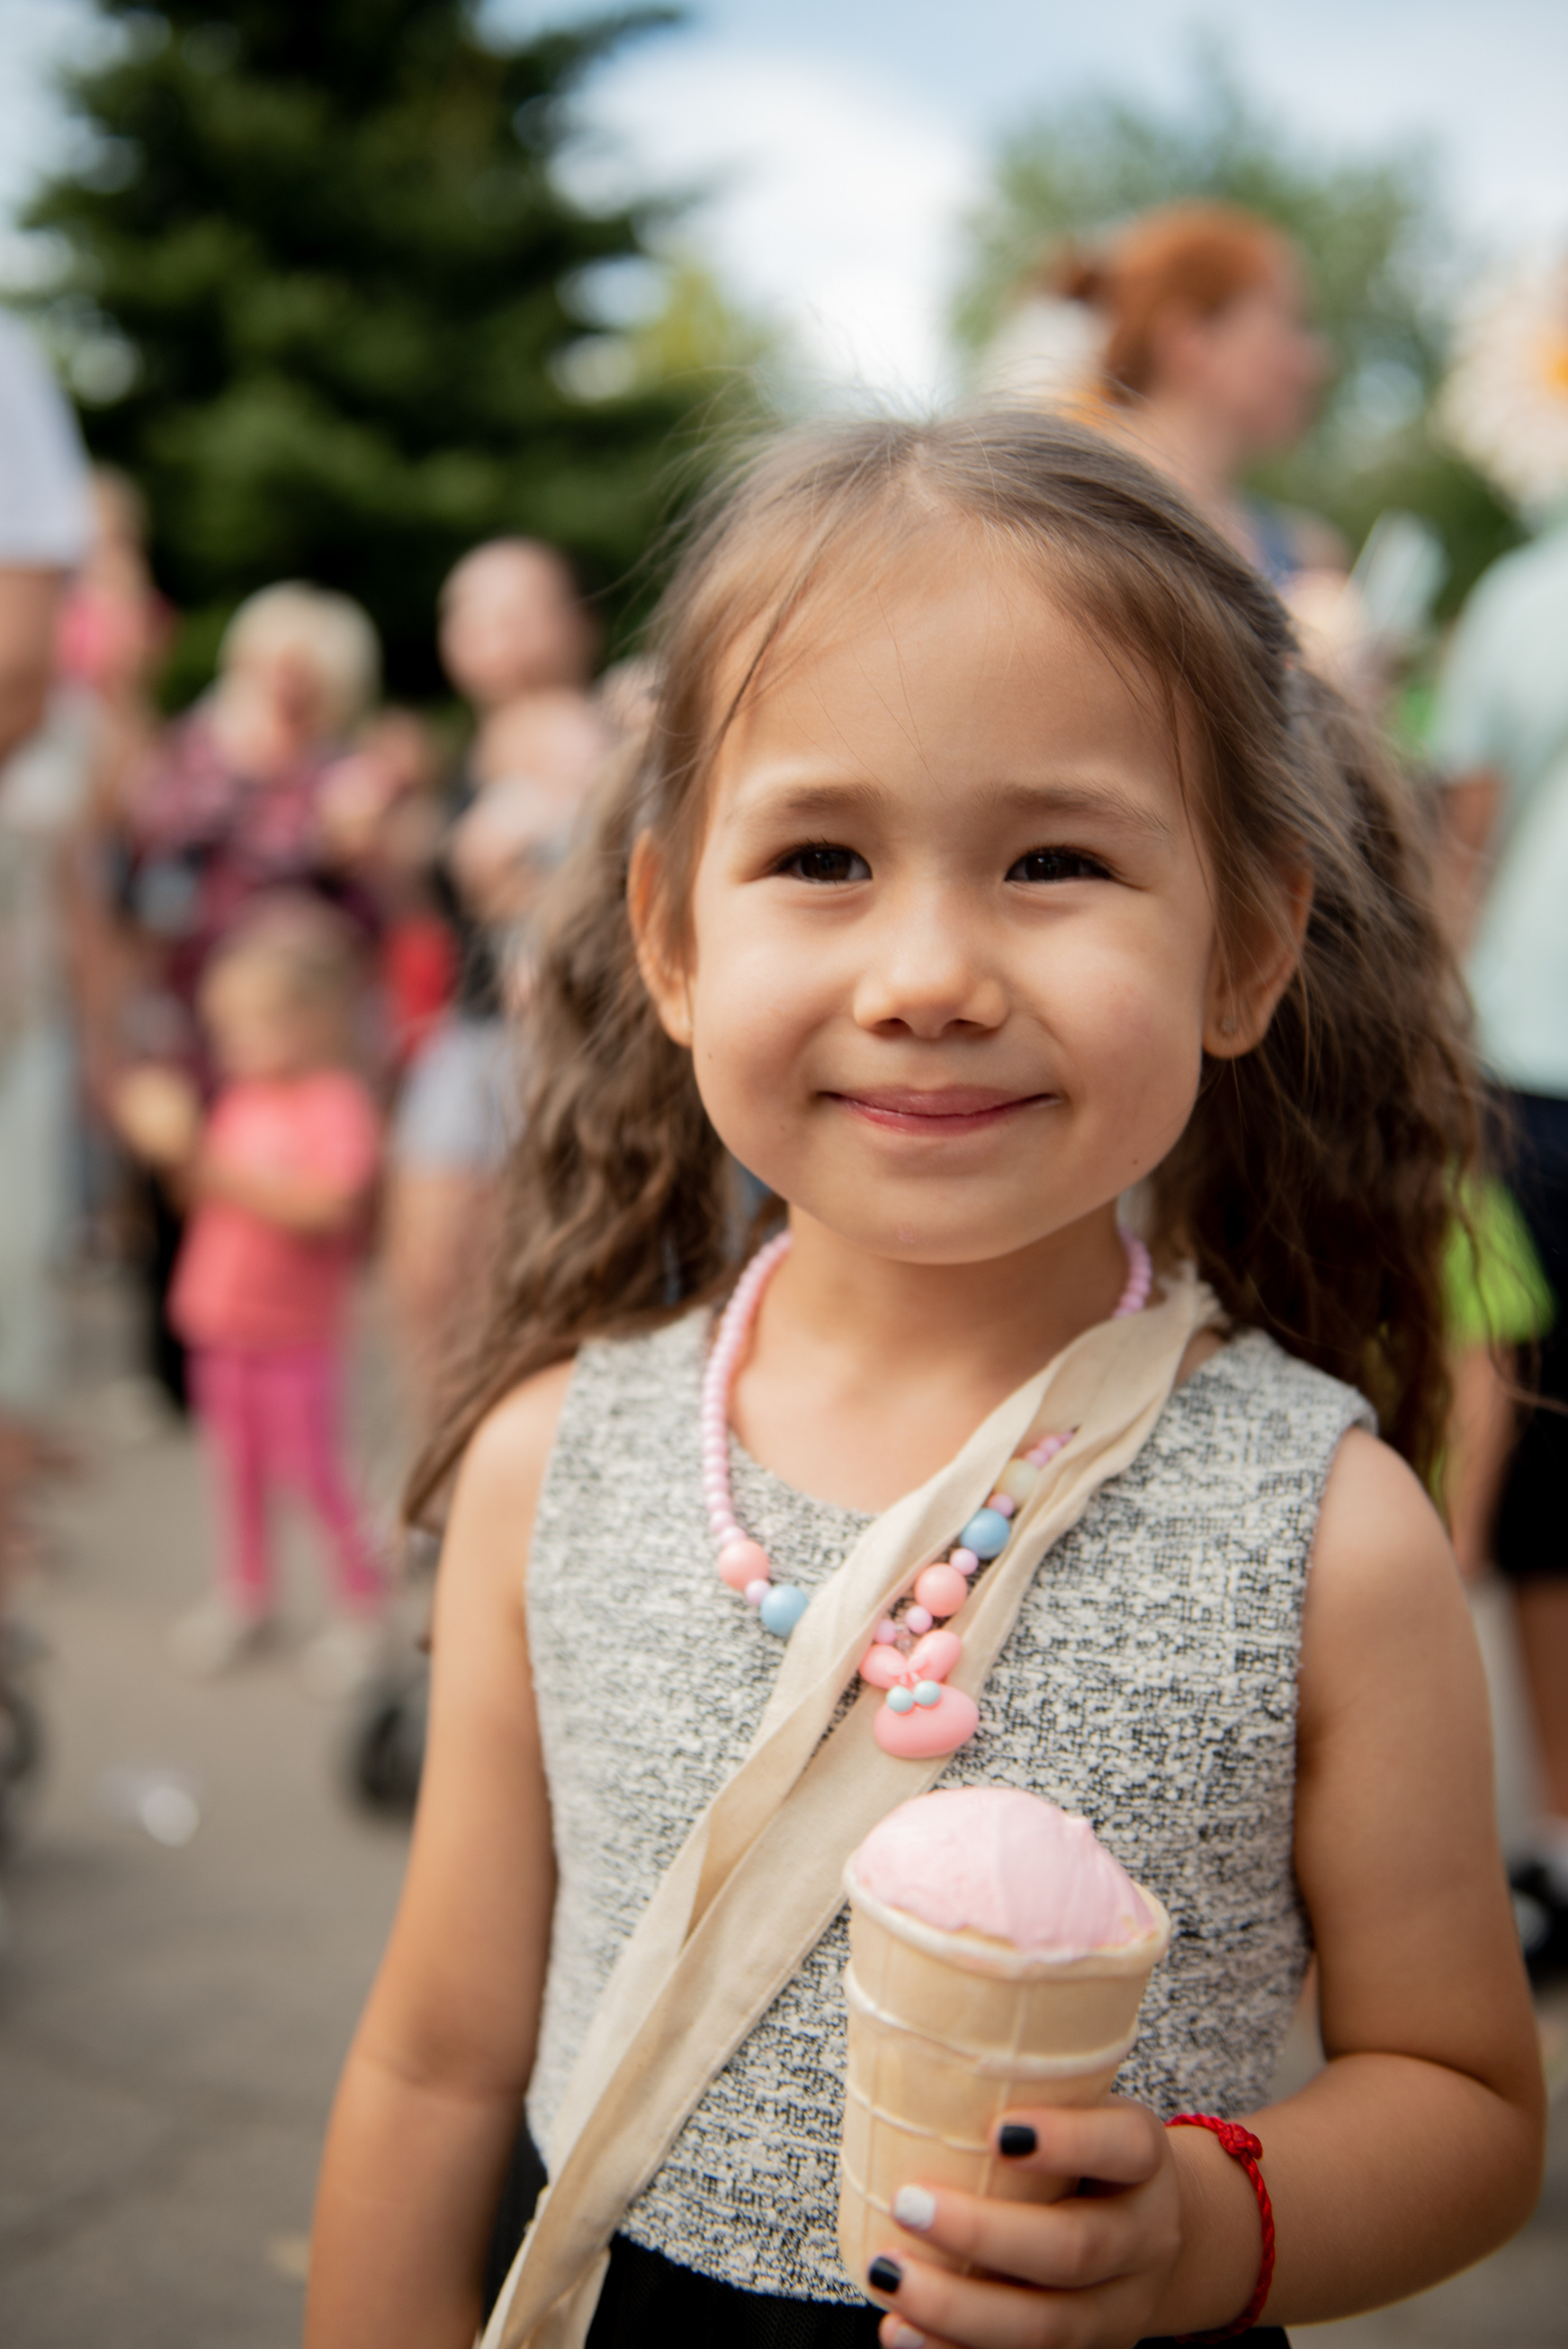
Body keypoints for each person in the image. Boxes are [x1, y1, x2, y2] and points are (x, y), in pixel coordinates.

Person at [304, 418, 1542, 2349]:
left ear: (1247, 946)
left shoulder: (1326, 1532)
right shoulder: (565, 1464)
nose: (931, 971)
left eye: (1054, 859)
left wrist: (1208, 2230)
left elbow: (1467, 2104)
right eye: (821, 857)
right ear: (671, 938)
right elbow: (439, 2066)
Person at [115, 901, 385, 1690]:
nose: (232, 1047)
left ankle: (361, 1603)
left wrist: (207, 1161)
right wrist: (168, 1155)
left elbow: (328, 1208)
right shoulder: (238, 1100)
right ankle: (248, 1593)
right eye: (224, 1029)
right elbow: (203, 1201)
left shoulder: (336, 1105)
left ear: (313, 1020)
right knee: (232, 1468)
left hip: (296, 1330)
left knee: (315, 1470)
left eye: (249, 1028)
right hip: (218, 1317)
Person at [1428, 489, 1568, 1967]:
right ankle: (1553, 1851)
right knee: (1547, 1474)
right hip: (1539, 1072)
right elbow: (1463, 843)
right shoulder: (1532, 595)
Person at [385, 539, 612, 1413]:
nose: (488, 632)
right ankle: (440, 1499)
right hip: (469, 1031)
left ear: (573, 623)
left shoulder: (593, 740)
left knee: (529, 1287)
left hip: (561, 1041)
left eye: (515, 609)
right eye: (468, 611)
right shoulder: (459, 749)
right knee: (430, 1277)